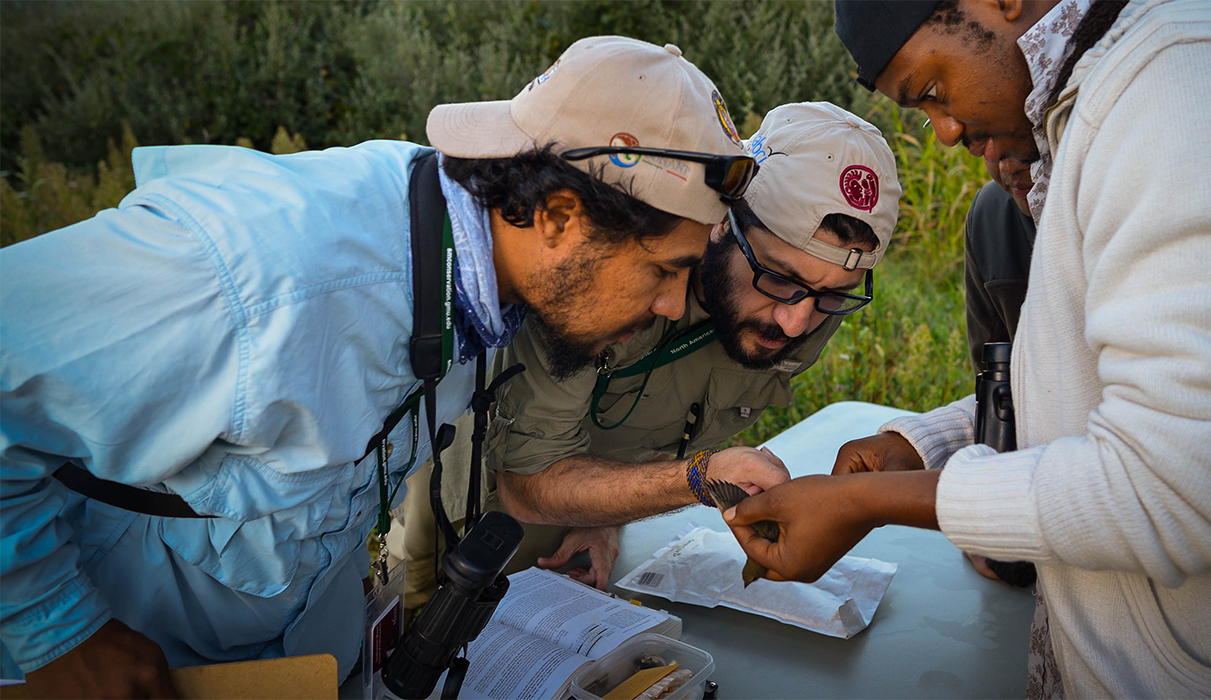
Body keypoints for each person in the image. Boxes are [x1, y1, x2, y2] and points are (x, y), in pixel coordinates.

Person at [0, 36, 756, 699]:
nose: (669, 304)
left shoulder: (490, 274)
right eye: (664, 270)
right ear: (560, 216)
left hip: (293, 660)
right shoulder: (259, 275)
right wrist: (60, 637)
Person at [723, 0, 1211, 696]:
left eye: (931, 89)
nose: (948, 130)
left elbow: (1199, 483)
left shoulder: (1189, 89)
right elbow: (1102, 393)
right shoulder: (1113, 98)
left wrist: (872, 502)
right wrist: (924, 444)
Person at [385, 101, 902, 601]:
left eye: (834, 295)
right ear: (724, 222)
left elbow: (678, 424)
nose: (797, 322)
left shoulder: (811, 299)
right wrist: (698, 479)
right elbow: (525, 478)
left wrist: (609, 516)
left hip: (578, 524)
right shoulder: (613, 269)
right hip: (467, 510)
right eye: (778, 279)